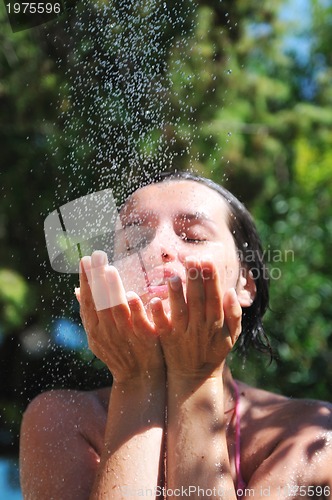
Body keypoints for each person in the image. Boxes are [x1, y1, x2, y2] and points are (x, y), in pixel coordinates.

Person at [20, 172, 332, 499]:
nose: (158, 249)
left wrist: (196, 375)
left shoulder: (310, 435)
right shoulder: (61, 421)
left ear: (245, 284)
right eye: (135, 241)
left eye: (193, 237)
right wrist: (136, 379)